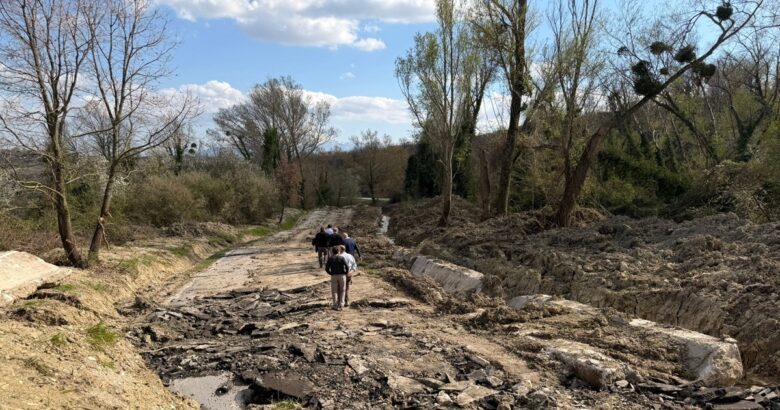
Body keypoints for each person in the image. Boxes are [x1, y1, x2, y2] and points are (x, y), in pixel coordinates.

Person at [325, 246, 349, 310]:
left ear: (332, 252)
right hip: (342, 275)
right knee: (343, 290)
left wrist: (331, 273)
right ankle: (341, 304)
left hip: (334, 276)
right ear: (338, 251)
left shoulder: (330, 258)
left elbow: (326, 268)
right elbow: (346, 266)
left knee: (334, 291)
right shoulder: (342, 258)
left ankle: (335, 305)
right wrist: (345, 272)